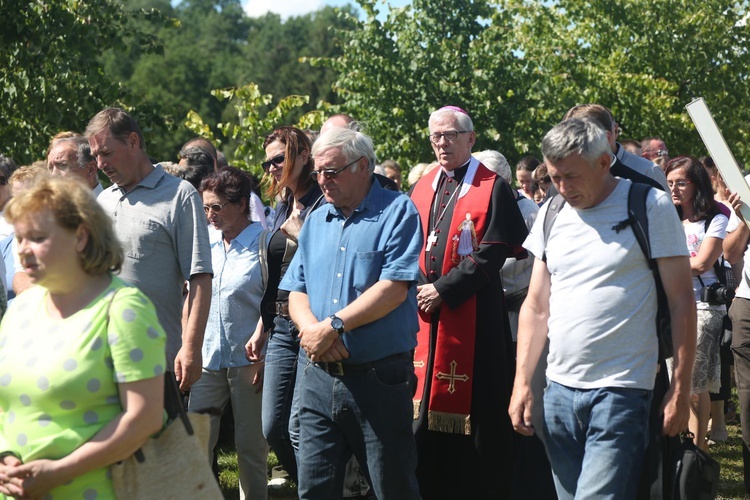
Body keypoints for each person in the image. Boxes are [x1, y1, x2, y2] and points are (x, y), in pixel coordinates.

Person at [509, 119, 696, 499]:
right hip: (558, 391)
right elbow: (536, 305)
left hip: (622, 391)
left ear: (604, 162)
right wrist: (523, 382)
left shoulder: (649, 205)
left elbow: (681, 302)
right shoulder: (552, 212)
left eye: (572, 177)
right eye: (555, 177)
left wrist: (681, 388)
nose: (562, 188)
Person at [0, 177, 166, 499]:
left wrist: (59, 471)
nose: (22, 250)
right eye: (19, 238)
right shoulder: (20, 309)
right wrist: (4, 458)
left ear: (79, 237)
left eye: (36, 238)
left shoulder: (124, 309)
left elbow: (143, 418)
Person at [279, 127, 423, 499]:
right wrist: (313, 331)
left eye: (332, 171)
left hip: (377, 379)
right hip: (317, 376)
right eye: (318, 172)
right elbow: (296, 289)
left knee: (391, 486)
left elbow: (394, 289)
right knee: (313, 488)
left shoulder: (397, 211)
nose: (322, 181)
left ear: (363, 167)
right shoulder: (316, 220)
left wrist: (334, 326)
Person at [409, 106, 528, 498]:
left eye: (450, 135)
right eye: (436, 137)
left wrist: (445, 289)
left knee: (480, 410)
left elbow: (494, 251)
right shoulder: (423, 185)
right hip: (427, 314)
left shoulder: (492, 186)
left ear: (471, 138)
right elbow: (411, 245)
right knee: (425, 410)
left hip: (475, 317)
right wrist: (423, 287)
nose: (442, 143)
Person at [87, 107, 212, 391]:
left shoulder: (179, 195)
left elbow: (200, 278)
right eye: (95, 155)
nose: (100, 163)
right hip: (103, 359)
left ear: (133, 141)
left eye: (106, 153)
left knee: (158, 437)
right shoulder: (104, 200)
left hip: (156, 361)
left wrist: (191, 347)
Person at [187, 167, 268, 500]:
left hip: (249, 361)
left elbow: (274, 301)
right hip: (207, 357)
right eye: (205, 207)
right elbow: (190, 296)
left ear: (241, 204)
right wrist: (186, 346)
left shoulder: (263, 243)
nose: (209, 215)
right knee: (196, 442)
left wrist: (267, 350)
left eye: (217, 207)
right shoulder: (204, 243)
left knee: (250, 447)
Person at [255, 126, 323, 486]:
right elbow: (275, 274)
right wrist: (261, 325)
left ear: (303, 155)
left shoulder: (324, 202)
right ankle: (315, 487)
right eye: (267, 162)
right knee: (273, 427)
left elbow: (332, 262)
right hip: (279, 327)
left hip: (311, 324)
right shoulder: (282, 207)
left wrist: (303, 235)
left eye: (279, 159)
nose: (271, 168)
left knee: (300, 428)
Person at [665, 156, 728, 449]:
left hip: (703, 306)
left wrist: (662, 263)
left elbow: (703, 264)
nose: (674, 189)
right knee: (672, 377)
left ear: (696, 184)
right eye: (669, 183)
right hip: (668, 305)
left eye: (681, 182)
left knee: (693, 383)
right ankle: (678, 447)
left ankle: (697, 451)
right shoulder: (665, 219)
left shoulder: (715, 219)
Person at [563, 104, 668, 191]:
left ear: (614, 132)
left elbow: (666, 213)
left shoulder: (648, 171)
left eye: (583, 139)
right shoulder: (562, 179)